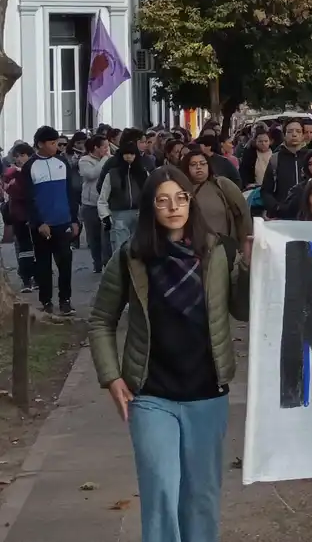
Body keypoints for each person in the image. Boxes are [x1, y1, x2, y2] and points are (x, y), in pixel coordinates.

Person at [88, 166, 250, 542]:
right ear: (151, 208)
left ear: (190, 202)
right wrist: (112, 377)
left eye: (180, 198)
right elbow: (100, 321)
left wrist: (249, 266)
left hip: (207, 393)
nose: (173, 207)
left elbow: (241, 310)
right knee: (161, 489)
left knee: (202, 495)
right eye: (163, 200)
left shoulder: (218, 250)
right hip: (150, 395)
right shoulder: (131, 258)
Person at [21, 126, 80, 315]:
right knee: (44, 265)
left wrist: (74, 220)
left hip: (63, 222)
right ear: (40, 144)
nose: (56, 147)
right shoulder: (30, 166)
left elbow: (70, 193)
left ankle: (65, 300)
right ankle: (46, 302)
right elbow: (28, 199)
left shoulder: (62, 162)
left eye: (57, 143)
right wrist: (39, 223)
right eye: (52, 143)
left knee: (65, 263)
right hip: (42, 225)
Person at [183, 149, 253, 260]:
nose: (199, 167)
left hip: (224, 250)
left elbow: (242, 214)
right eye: (193, 164)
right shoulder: (181, 190)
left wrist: (245, 246)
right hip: (193, 253)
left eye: (202, 163)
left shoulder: (222, 184)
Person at [98, 129, 151, 255]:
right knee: (120, 249)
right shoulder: (112, 174)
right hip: (118, 215)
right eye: (126, 154)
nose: (129, 157)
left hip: (139, 214)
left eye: (132, 154)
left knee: (138, 249)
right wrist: (105, 217)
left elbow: (150, 194)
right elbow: (103, 198)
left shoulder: (143, 173)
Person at [259, 117, 311, 216]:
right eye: (290, 131)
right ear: (284, 135)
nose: (294, 134)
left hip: (309, 216)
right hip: (283, 217)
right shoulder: (275, 159)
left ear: (303, 135)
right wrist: (276, 208)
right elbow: (266, 191)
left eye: (298, 131)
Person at [3, 142, 35, 292]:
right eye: (17, 156)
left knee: (38, 247)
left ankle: (38, 277)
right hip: (20, 216)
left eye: (22, 155)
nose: (19, 159)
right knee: (23, 248)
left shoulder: (36, 170)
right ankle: (26, 279)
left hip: (36, 215)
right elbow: (15, 191)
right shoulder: (12, 173)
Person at [77, 134, 111, 274]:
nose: (107, 150)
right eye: (104, 147)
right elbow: (91, 174)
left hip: (105, 203)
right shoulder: (85, 160)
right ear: (96, 147)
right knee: (93, 236)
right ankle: (97, 262)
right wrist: (104, 160)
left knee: (106, 237)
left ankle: (107, 263)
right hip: (90, 204)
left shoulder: (108, 159)